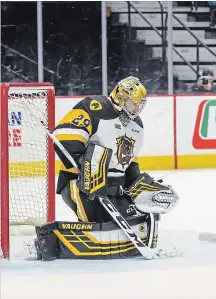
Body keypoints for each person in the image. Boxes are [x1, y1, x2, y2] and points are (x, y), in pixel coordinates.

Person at [33, 76, 180, 260]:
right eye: (133, 103)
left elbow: (129, 162)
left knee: (132, 222)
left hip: (114, 188)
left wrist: (137, 186)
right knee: (103, 222)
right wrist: (85, 168)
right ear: (120, 96)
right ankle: (51, 241)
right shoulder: (96, 107)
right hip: (82, 183)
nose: (137, 108)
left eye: (140, 104)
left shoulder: (137, 125)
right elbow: (65, 134)